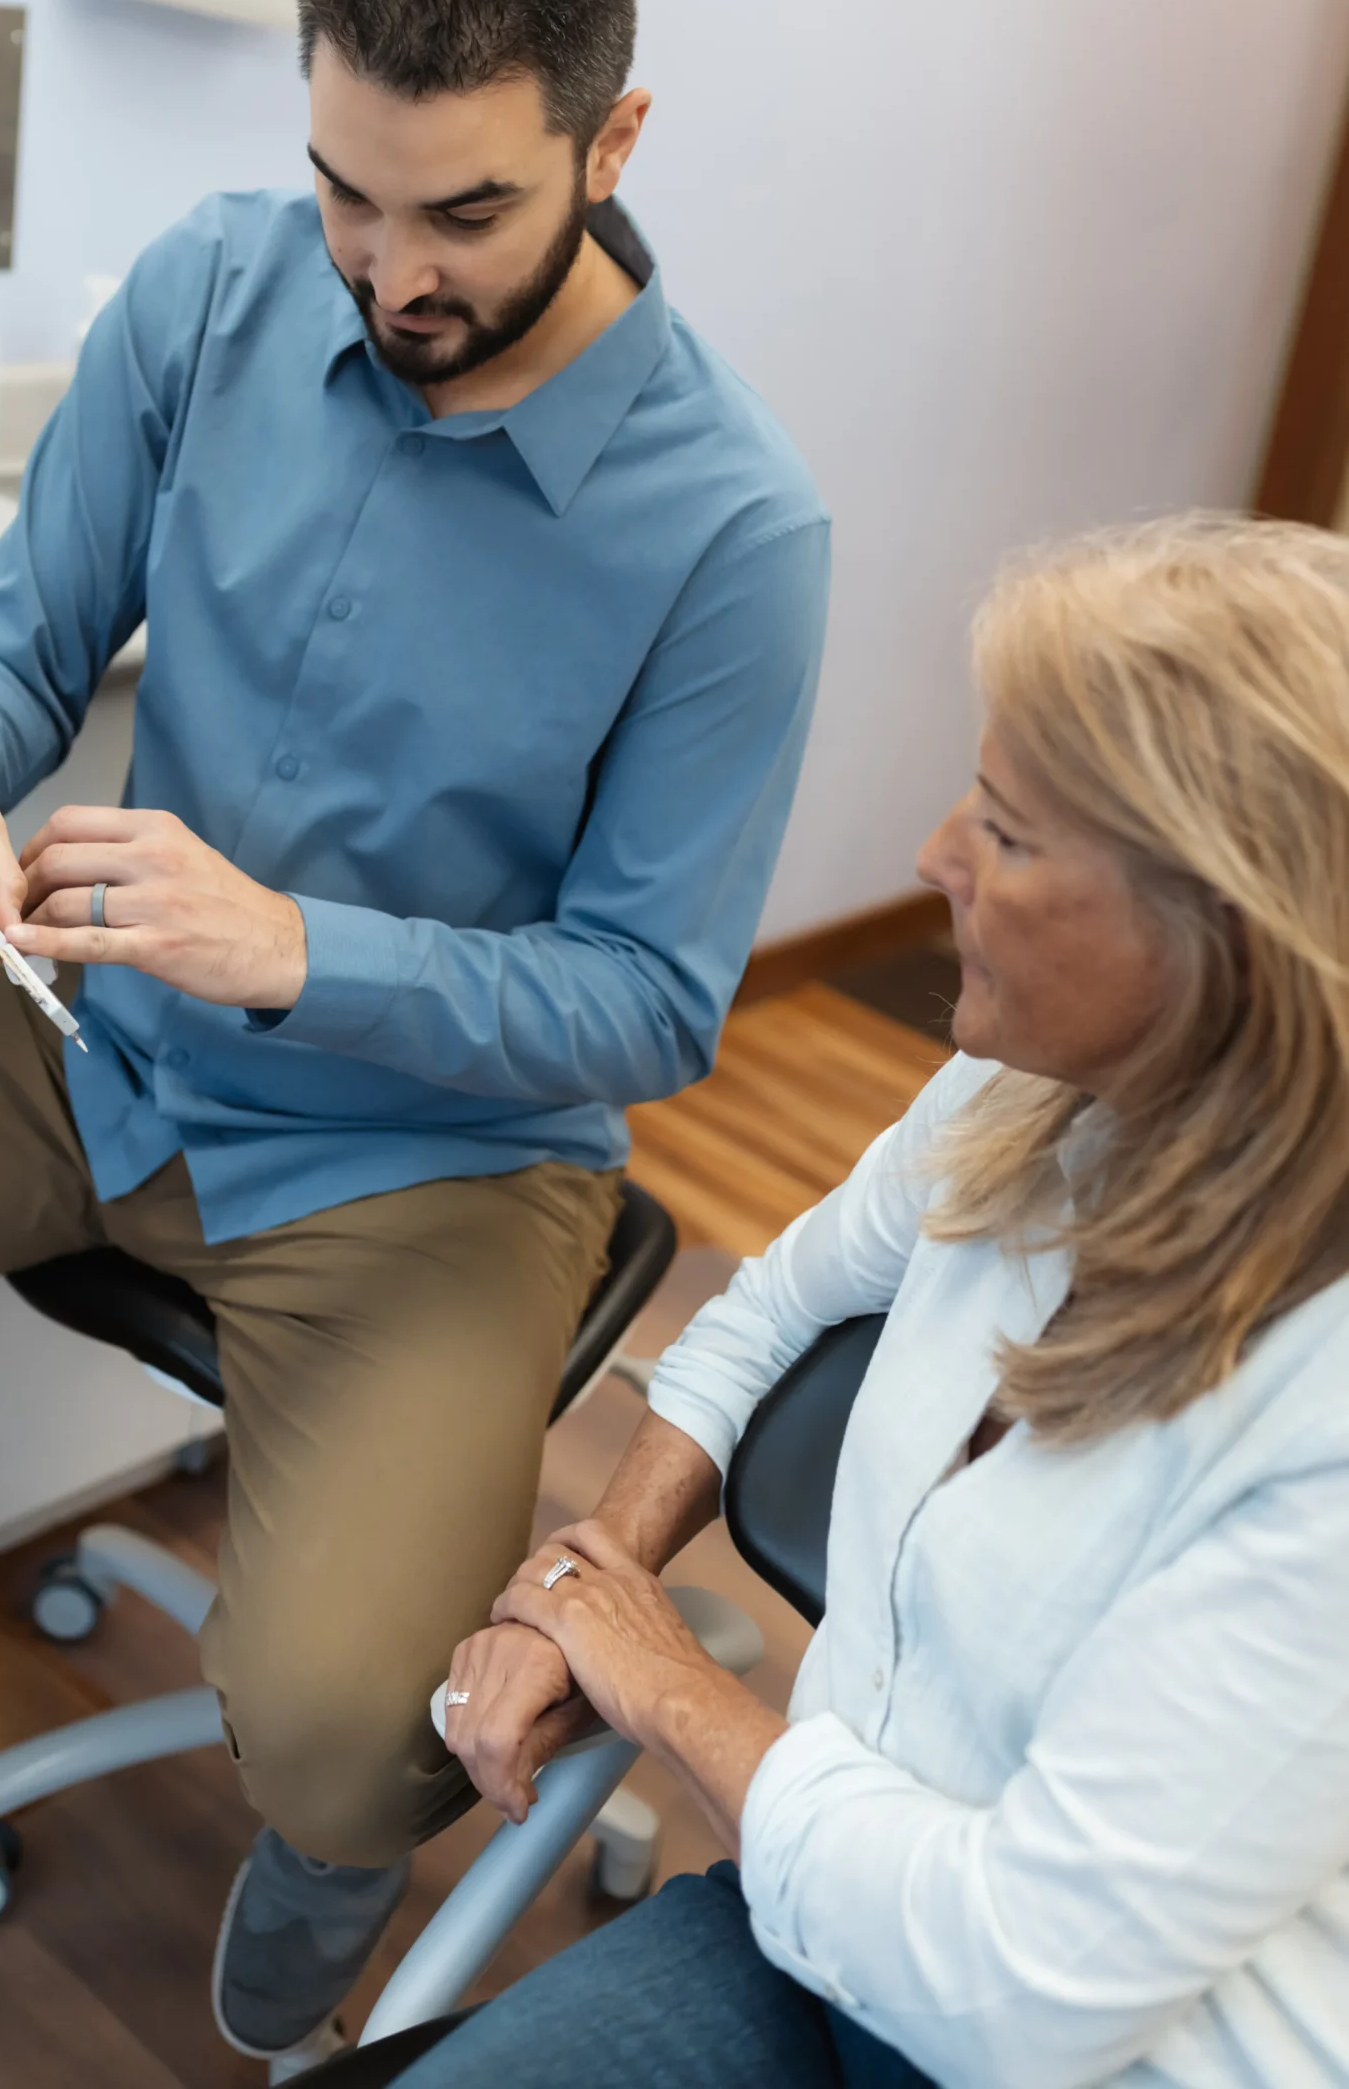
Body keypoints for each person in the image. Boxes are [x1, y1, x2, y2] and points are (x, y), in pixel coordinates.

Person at [0, 0, 829, 2055]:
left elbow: (653, 1000)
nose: (385, 270)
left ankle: (331, 1843)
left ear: (614, 138)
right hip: (90, 1043)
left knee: (336, 1730)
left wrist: (299, 948)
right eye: (341, 192)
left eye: (463, 210)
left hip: (435, 1164)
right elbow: (27, 614)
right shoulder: (211, 289)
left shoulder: (734, 529)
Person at [420, 515, 1349, 2089]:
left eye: (1004, 828)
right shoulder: (1030, 1096)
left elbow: (1018, 1991)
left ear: (1221, 940)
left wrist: (665, 1684)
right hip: (819, 1919)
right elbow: (777, 1301)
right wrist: (590, 1570)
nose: (931, 858)